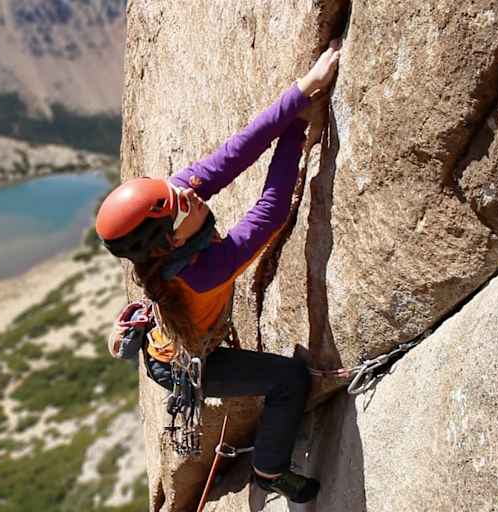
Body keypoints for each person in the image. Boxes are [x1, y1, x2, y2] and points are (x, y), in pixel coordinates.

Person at [96, 41, 341, 504]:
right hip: (187, 366)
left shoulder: (171, 209)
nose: (185, 192)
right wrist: (294, 138)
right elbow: (268, 215)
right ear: (170, 239)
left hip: (175, 337)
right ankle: (269, 470)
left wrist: (302, 90)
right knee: (289, 382)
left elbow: (237, 151)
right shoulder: (202, 272)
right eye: (177, 203)